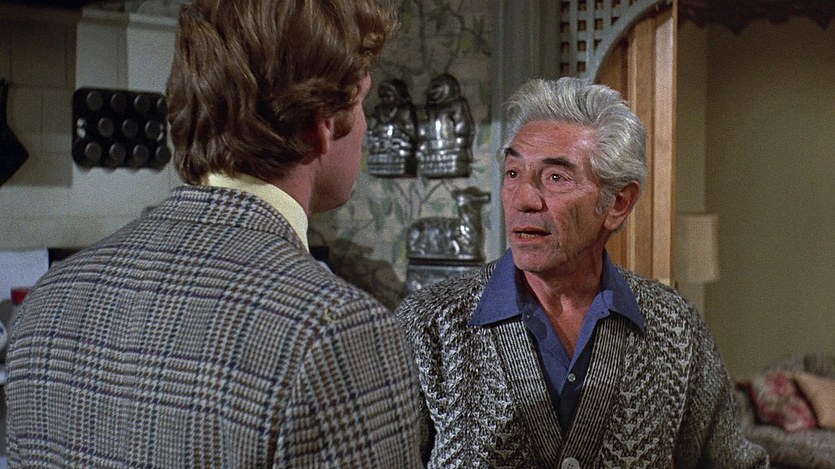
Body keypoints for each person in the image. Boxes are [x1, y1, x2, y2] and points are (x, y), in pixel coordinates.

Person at [7, 0, 428, 467]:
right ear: (325, 122)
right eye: (363, 100)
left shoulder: (48, 300)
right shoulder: (339, 332)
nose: (366, 125)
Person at [396, 77, 769, 468]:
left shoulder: (674, 326)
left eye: (555, 178)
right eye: (513, 173)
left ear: (618, 203)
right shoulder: (428, 324)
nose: (523, 199)